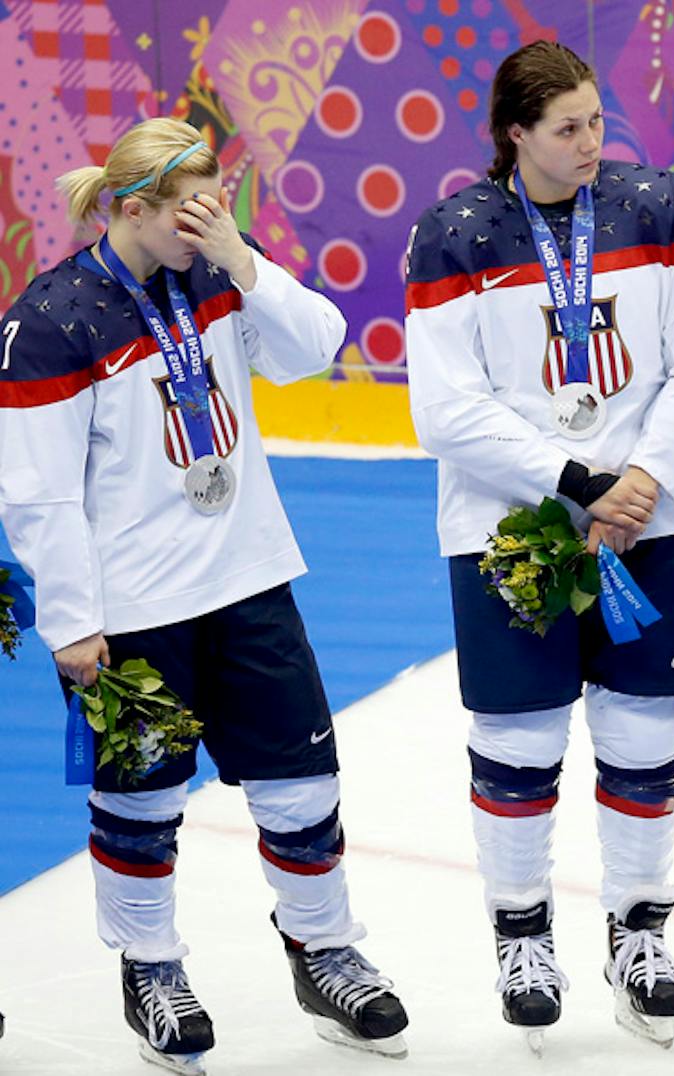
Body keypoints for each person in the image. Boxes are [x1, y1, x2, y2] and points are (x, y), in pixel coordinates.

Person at [0, 116, 409, 1071]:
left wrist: (237, 255)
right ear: (128, 208)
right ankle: (151, 968)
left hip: (250, 579)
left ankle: (325, 949)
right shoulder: (51, 322)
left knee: (303, 785)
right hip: (133, 610)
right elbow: (40, 493)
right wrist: (70, 620)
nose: (208, 216)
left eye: (217, 198)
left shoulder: (222, 271)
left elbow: (315, 348)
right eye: (188, 205)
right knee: (140, 800)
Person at [403, 40, 674, 1052]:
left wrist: (642, 477)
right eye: (566, 128)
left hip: (653, 515)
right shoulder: (455, 234)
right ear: (515, 134)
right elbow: (445, 408)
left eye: (598, 120)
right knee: (521, 740)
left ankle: (640, 929)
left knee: (644, 732)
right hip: (512, 525)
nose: (592, 142)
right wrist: (572, 480)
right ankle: (521, 938)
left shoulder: (660, 209)